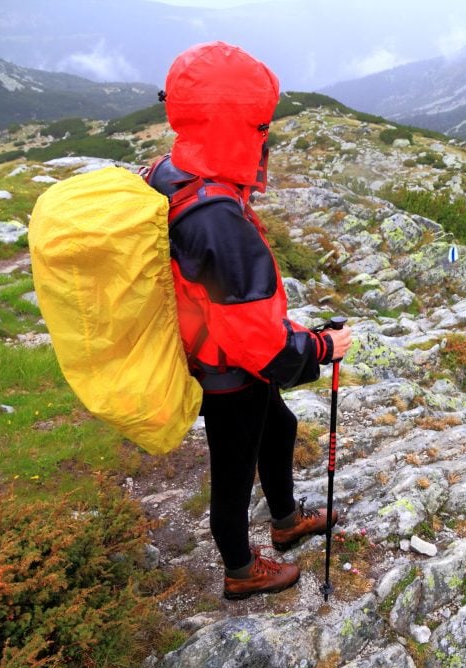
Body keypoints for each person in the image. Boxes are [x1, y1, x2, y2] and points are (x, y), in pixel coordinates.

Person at [146, 41, 352, 600]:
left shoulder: (174, 170)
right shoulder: (217, 217)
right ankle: (240, 570)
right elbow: (259, 343)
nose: (267, 132)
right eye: (261, 121)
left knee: (279, 427)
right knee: (233, 470)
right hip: (227, 369)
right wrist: (321, 348)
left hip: (211, 346)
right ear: (240, 120)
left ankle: (285, 522)